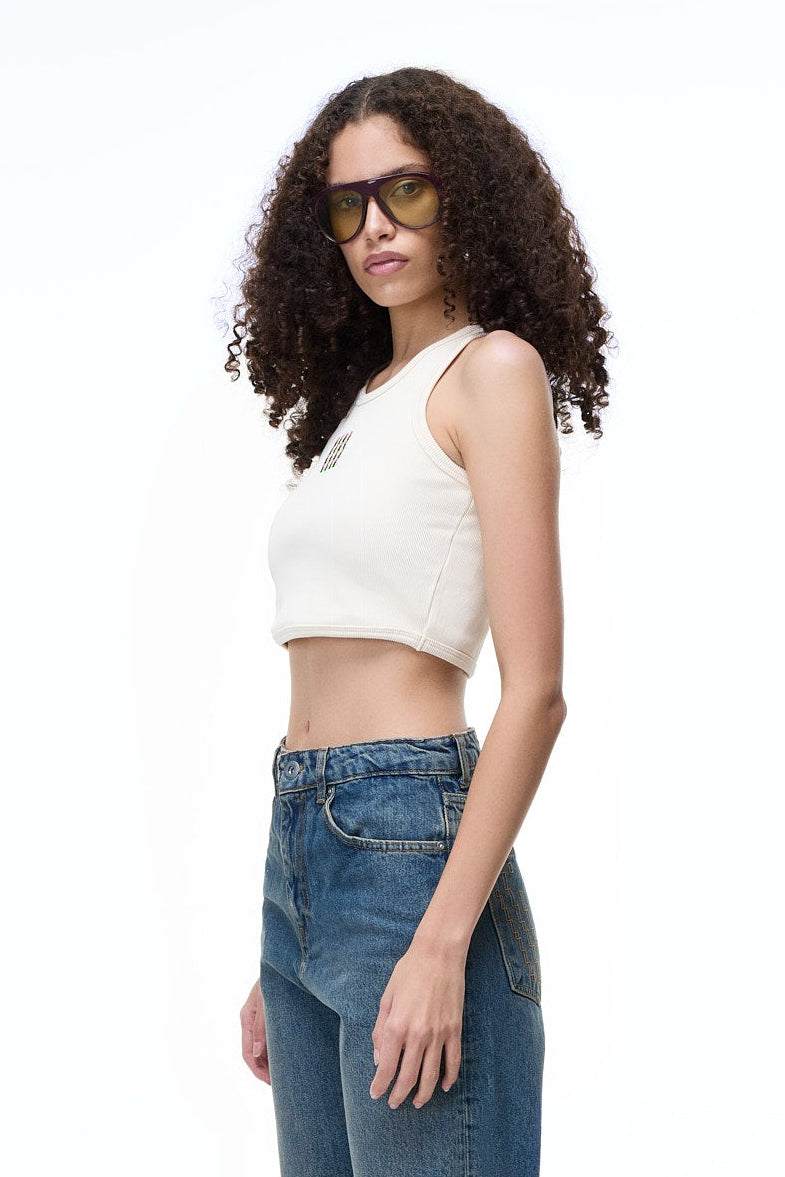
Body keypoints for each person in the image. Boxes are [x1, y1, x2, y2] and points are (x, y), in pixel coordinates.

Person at [229, 66, 611, 1177]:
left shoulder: (490, 371)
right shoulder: (360, 407)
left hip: (412, 842)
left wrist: (441, 939)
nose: (376, 228)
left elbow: (535, 691)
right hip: (303, 846)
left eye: (406, 191)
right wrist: (288, 933)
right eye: (347, 206)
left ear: (466, 196)